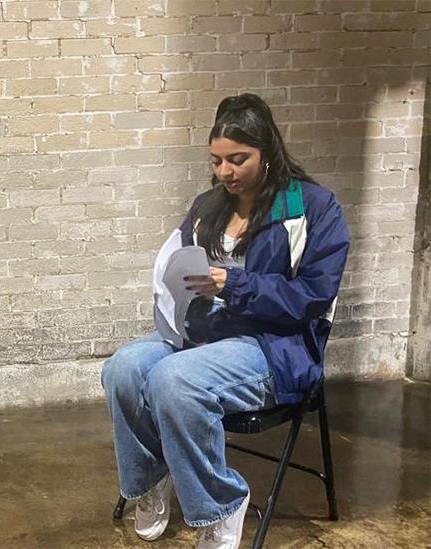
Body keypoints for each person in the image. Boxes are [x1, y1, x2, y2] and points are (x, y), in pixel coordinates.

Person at [100, 93, 350, 549]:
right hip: (207, 335)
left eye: (238, 159)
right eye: (216, 161)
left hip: (277, 348)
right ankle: (154, 478)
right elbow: (175, 265)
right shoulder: (207, 206)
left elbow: (314, 296)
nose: (225, 172)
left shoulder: (312, 208)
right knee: (123, 367)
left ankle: (221, 505)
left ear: (267, 151)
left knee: (175, 380)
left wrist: (233, 285)